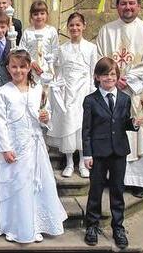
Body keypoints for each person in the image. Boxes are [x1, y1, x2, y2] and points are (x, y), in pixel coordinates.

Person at [96, 0, 143, 198]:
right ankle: (115, 178)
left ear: (138, 6)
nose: (127, 7)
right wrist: (113, 78)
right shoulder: (106, 31)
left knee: (138, 133)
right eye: (122, 4)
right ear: (117, 6)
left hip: (139, 93)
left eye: (131, 3)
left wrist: (127, 79)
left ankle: (139, 181)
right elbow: (100, 58)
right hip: (112, 91)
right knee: (114, 132)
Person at [0, 49, 67, 243]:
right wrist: (5, 148)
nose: (18, 70)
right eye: (14, 67)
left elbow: (46, 112)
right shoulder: (4, 91)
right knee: (16, 184)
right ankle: (14, 225)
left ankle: (35, 224)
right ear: (8, 68)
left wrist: (46, 117)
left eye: (22, 66)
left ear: (29, 68)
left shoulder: (38, 89)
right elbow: (0, 121)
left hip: (34, 145)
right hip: (14, 145)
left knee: (36, 184)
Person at [82, 57, 143, 249]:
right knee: (96, 190)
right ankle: (92, 225)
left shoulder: (124, 99)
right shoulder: (91, 100)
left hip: (118, 151)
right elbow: (86, 130)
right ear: (97, 77)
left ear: (117, 76)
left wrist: (133, 124)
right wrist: (87, 154)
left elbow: (124, 122)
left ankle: (118, 227)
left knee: (117, 190)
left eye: (112, 74)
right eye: (104, 74)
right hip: (98, 153)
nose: (109, 78)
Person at [46, 12, 97, 178]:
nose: (75, 28)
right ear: (68, 27)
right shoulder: (63, 49)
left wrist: (92, 92)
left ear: (83, 26)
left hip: (84, 91)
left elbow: (92, 72)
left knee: (83, 125)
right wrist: (58, 87)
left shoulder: (91, 48)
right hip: (68, 90)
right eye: (72, 25)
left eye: (78, 25)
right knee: (68, 124)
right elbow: (59, 72)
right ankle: (69, 162)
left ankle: (83, 162)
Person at [18, 0, 59, 76]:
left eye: (42, 13)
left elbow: (55, 50)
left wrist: (49, 64)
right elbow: (22, 50)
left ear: (47, 15)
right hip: (31, 70)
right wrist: (31, 61)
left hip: (47, 70)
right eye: (35, 14)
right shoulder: (28, 32)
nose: (39, 16)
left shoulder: (51, 31)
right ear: (31, 16)